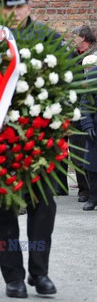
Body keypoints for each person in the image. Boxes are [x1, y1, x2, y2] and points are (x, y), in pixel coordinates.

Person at [0, 0, 58, 298]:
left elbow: (65, 87)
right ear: (1, 10)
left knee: (43, 206)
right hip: (0, 140)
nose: (15, 12)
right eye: (9, 7)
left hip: (39, 140)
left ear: (29, 6)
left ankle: (39, 272)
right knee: (4, 209)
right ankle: (13, 277)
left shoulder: (48, 38)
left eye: (19, 6)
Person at [70, 26, 96, 203]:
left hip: (89, 108)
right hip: (74, 108)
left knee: (90, 153)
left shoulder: (94, 56)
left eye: (75, 37)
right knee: (76, 151)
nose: (73, 41)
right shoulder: (72, 56)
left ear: (84, 38)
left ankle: (90, 190)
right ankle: (83, 190)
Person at [81, 61, 97, 211]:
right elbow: (85, 103)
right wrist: (88, 125)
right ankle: (93, 198)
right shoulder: (93, 74)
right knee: (93, 167)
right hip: (95, 130)